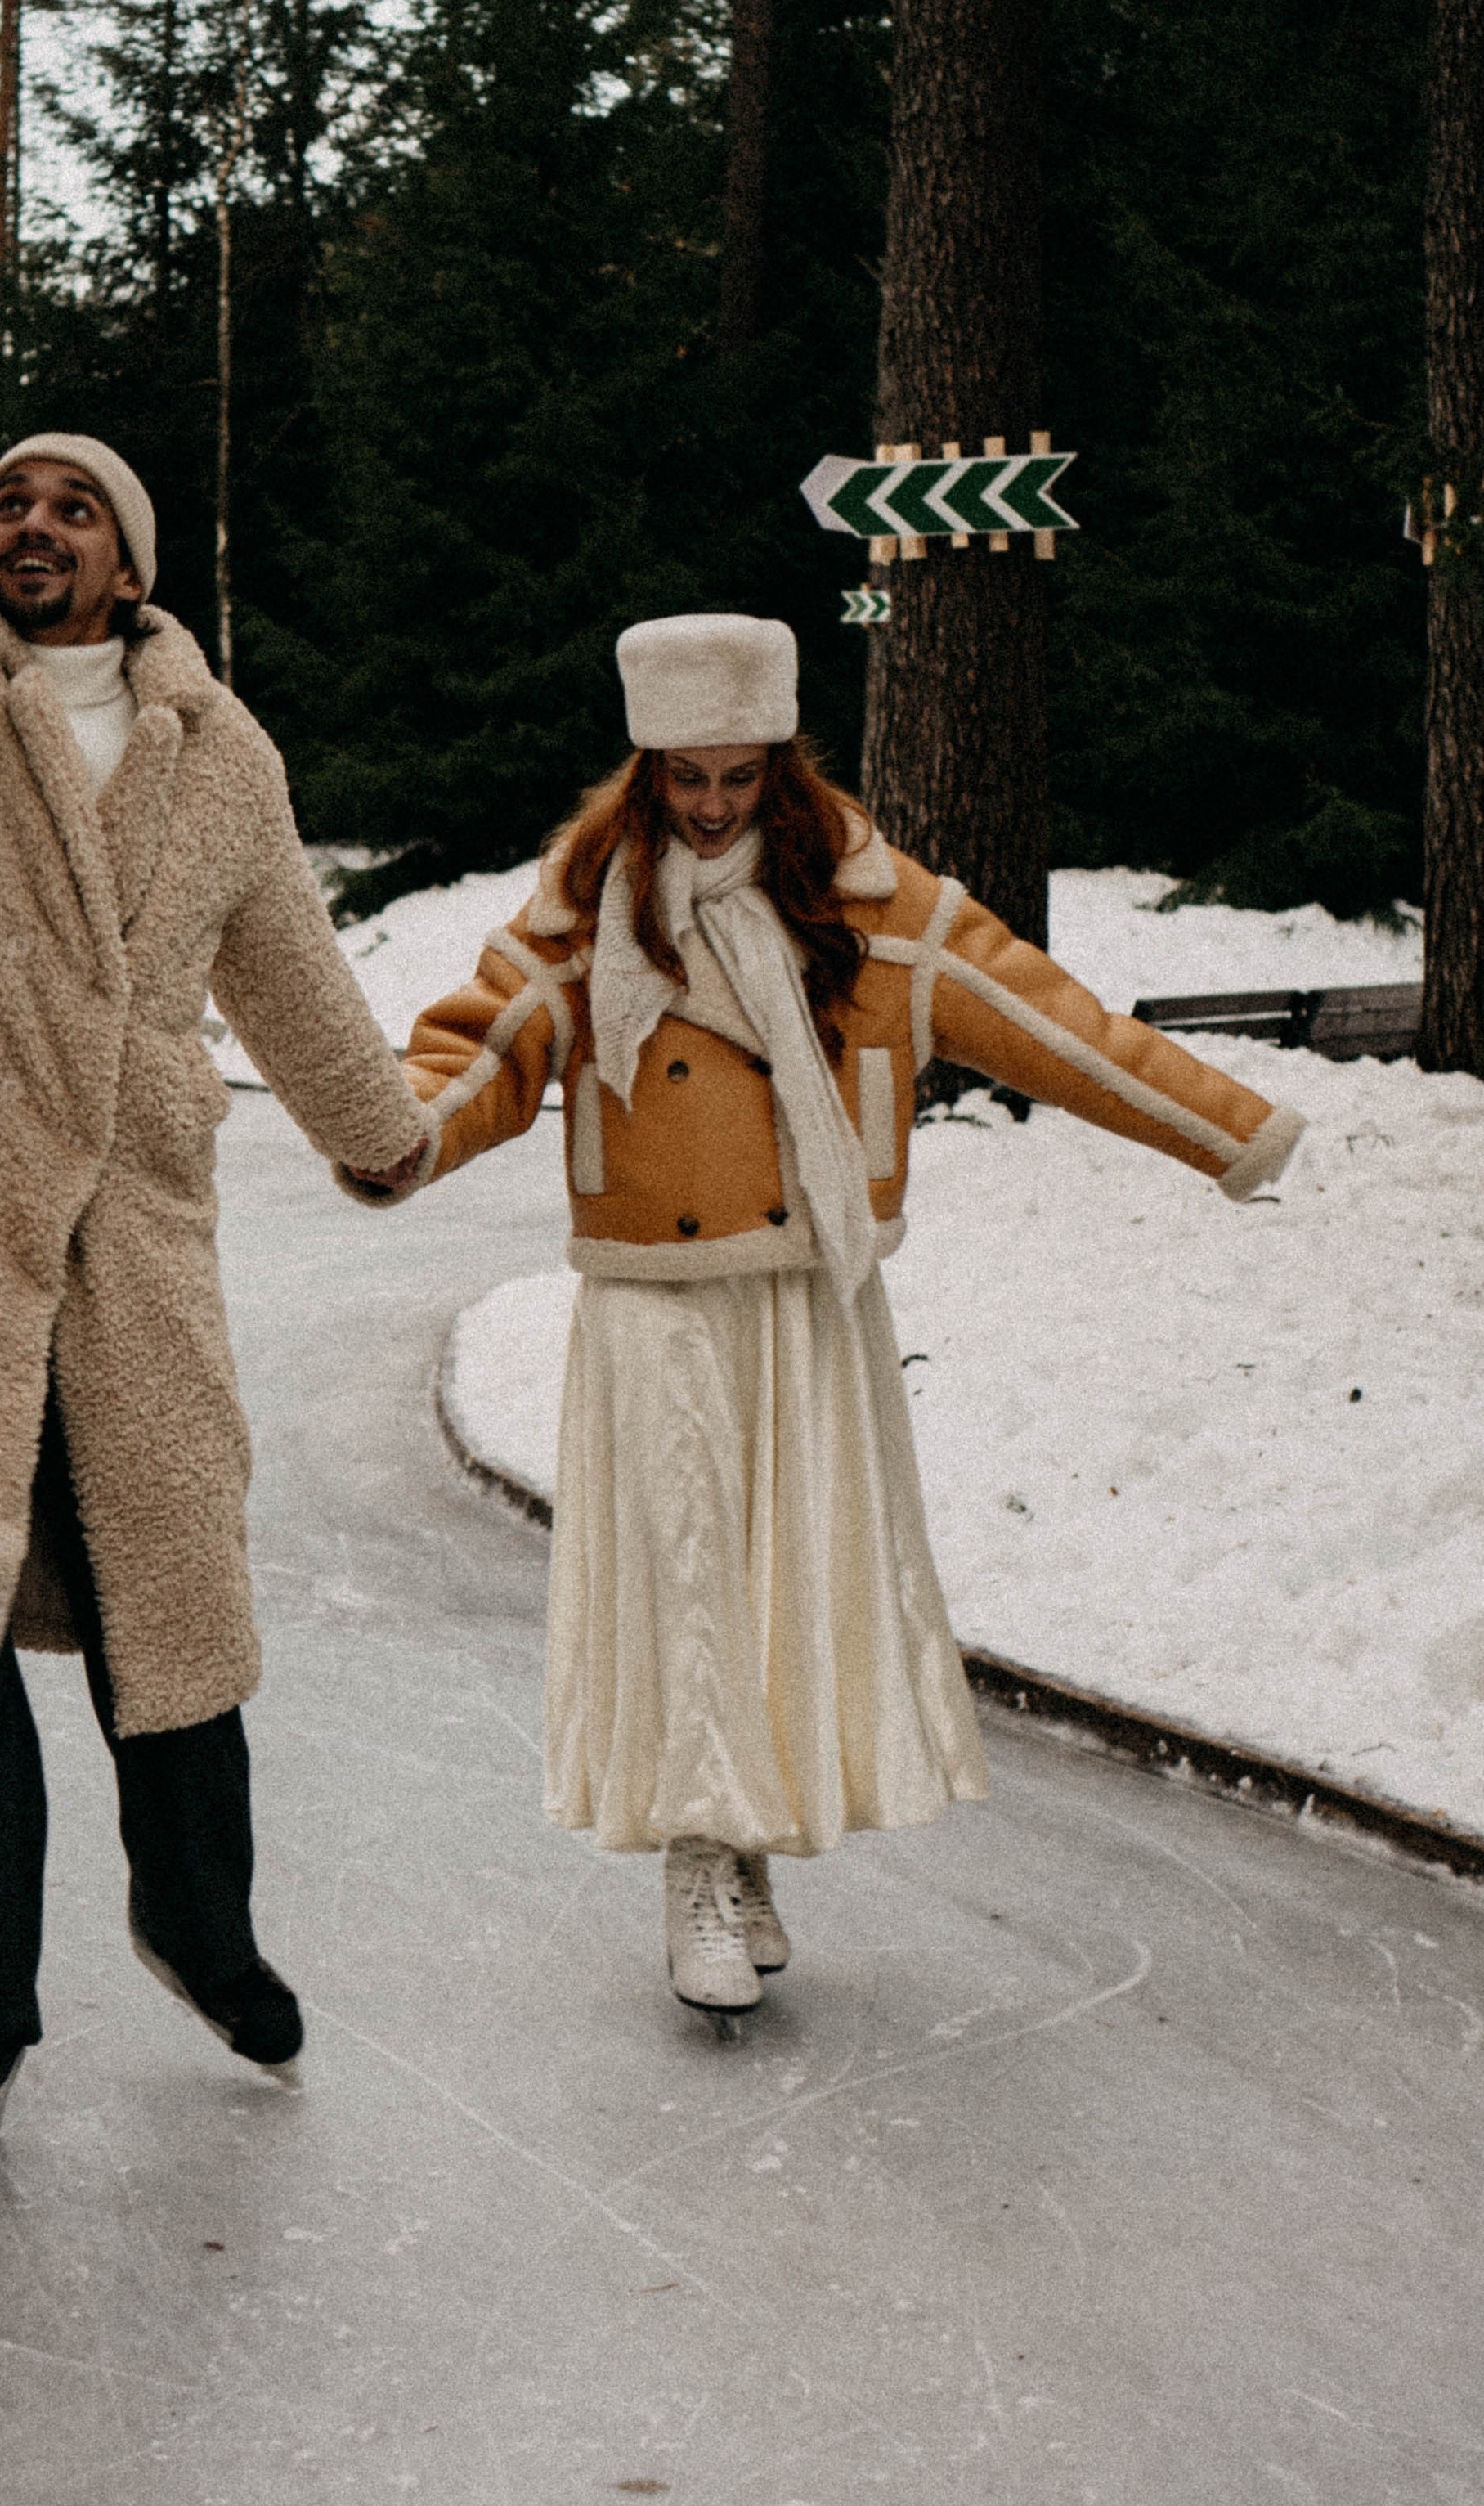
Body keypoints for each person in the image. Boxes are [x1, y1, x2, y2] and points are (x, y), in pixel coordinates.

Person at [0, 30, 431, 2187]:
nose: (27, 522)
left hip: (135, 1221)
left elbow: (289, 967)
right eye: (10, 497)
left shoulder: (223, 758)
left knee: (174, 1595)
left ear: (127, 565)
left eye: (70, 507)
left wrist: (381, 1126)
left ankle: (204, 1933)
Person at [350, 614, 1302, 2025]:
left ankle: (744, 1849)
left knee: (777, 1578)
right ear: (648, 768)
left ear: (784, 766)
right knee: (684, 1581)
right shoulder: (586, 906)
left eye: (742, 777)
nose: (717, 804)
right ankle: (696, 1865)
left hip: (808, 1291)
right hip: (657, 1301)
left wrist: (1228, 1131)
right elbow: (480, 1048)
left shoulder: (868, 908)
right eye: (688, 777)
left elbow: (1052, 1023)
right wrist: (397, 1137)